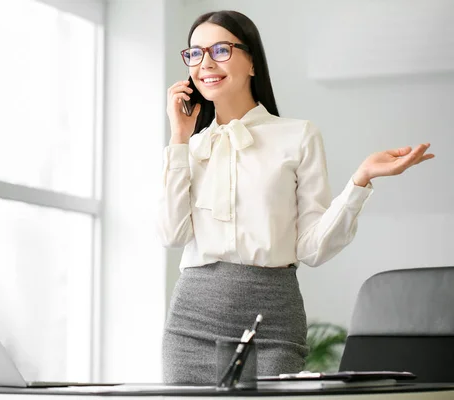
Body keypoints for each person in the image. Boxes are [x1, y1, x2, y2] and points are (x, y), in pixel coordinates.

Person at [157, 10, 434, 384]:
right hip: (191, 324)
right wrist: (178, 139)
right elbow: (172, 235)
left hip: (271, 322)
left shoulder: (298, 136)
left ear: (252, 60)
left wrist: (360, 181)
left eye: (220, 50)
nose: (205, 63)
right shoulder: (188, 148)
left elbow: (312, 248)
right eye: (195, 53)